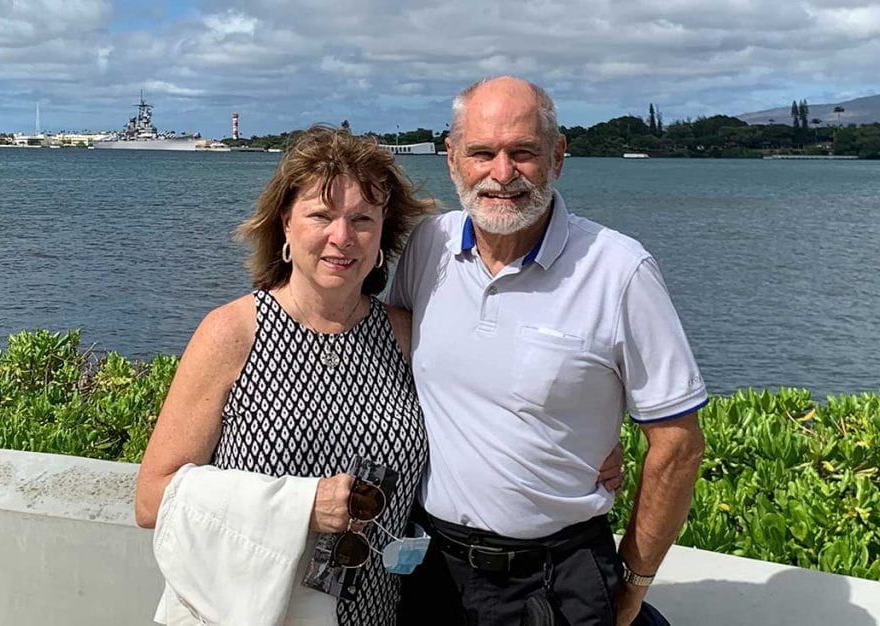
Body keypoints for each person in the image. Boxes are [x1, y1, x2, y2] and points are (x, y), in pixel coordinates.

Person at [390, 76, 708, 625]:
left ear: (558, 155)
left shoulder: (620, 270)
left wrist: (634, 580)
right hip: (433, 571)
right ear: (451, 159)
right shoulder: (429, 244)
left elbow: (678, 444)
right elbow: (391, 345)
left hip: (557, 580)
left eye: (524, 153)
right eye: (482, 153)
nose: (502, 174)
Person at [135, 126, 436, 625]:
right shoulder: (233, 332)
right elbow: (151, 498)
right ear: (286, 227)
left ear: (384, 233)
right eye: (321, 215)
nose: (342, 237)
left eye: (362, 219)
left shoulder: (407, 336)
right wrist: (300, 508)